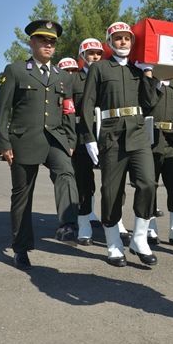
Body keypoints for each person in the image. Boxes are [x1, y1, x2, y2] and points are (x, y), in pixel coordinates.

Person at [0, 20, 79, 270]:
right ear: (32, 42)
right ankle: (21, 248)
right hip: (23, 140)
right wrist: (3, 143)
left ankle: (67, 224)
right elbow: (3, 110)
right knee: (22, 196)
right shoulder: (16, 70)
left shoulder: (63, 76)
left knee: (66, 171)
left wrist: (71, 140)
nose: (48, 45)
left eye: (52, 42)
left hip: (55, 139)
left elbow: (68, 110)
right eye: (43, 40)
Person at [81, 22, 161, 267]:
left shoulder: (139, 71)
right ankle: (114, 243)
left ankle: (139, 238)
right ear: (109, 42)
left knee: (148, 183)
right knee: (111, 191)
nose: (123, 41)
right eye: (117, 38)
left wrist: (148, 74)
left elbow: (150, 104)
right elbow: (87, 103)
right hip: (111, 135)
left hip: (137, 133)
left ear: (132, 42)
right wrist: (89, 138)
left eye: (127, 38)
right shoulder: (100, 68)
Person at [59, 42, 102, 245]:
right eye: (90, 53)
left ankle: (112, 221)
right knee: (83, 180)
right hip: (80, 133)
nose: (94, 56)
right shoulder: (73, 79)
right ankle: (84, 220)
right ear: (82, 55)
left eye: (98, 53)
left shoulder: (105, 75)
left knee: (112, 182)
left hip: (104, 133)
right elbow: (66, 109)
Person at [144, 75, 173, 246]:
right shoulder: (149, 88)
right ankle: (150, 227)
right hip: (151, 142)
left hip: (171, 144)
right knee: (149, 186)